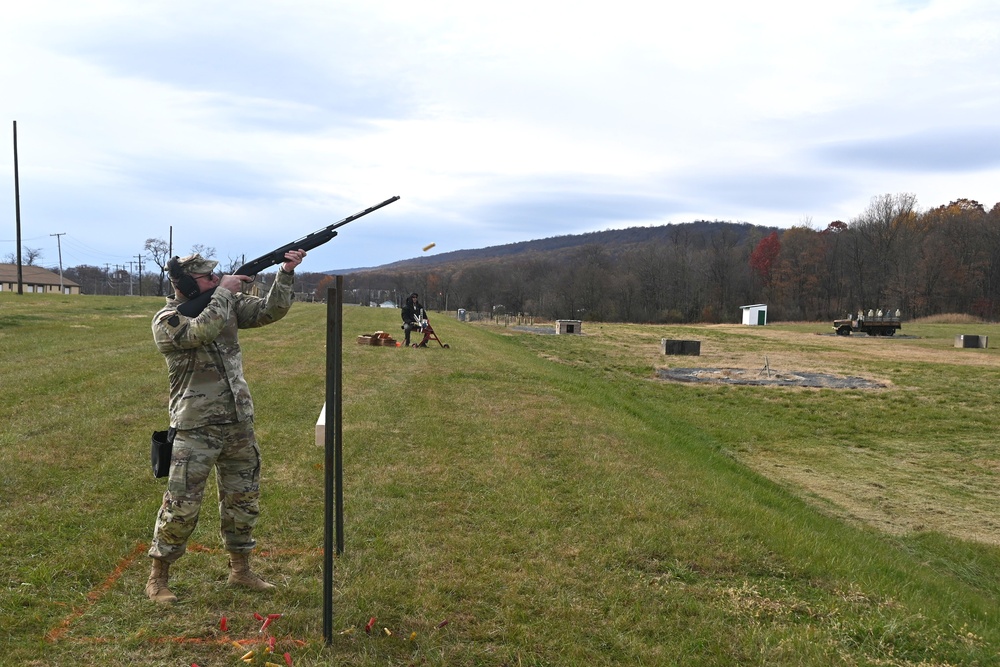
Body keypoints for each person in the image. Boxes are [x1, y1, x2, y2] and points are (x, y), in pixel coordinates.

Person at [145, 249, 306, 604]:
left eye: (216, 277)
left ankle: (241, 569)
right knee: (181, 504)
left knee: (243, 499)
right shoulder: (168, 319)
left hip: (237, 421)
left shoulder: (224, 303)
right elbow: (199, 332)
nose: (216, 281)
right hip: (195, 426)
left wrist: (286, 274)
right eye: (207, 278)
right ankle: (158, 578)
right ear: (186, 285)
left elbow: (269, 311)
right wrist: (224, 292)